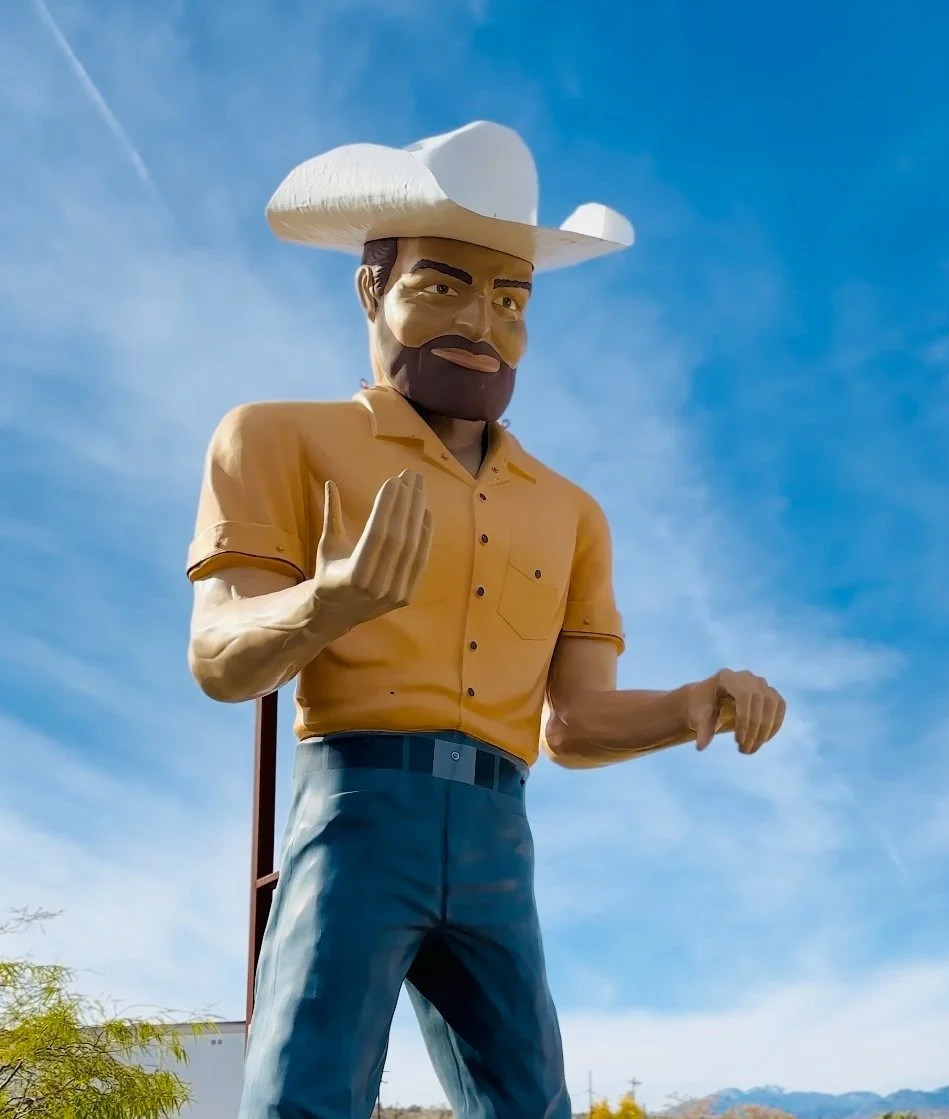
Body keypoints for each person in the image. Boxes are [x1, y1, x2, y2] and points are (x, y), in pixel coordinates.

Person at [186, 121, 786, 1119]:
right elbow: (218, 655)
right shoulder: (276, 438)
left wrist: (695, 702)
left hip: (499, 839)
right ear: (371, 288)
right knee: (302, 1095)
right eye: (442, 286)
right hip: (358, 810)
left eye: (512, 299)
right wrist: (328, 602)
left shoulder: (570, 512)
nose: (481, 321)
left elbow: (572, 723)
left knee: (530, 1106)